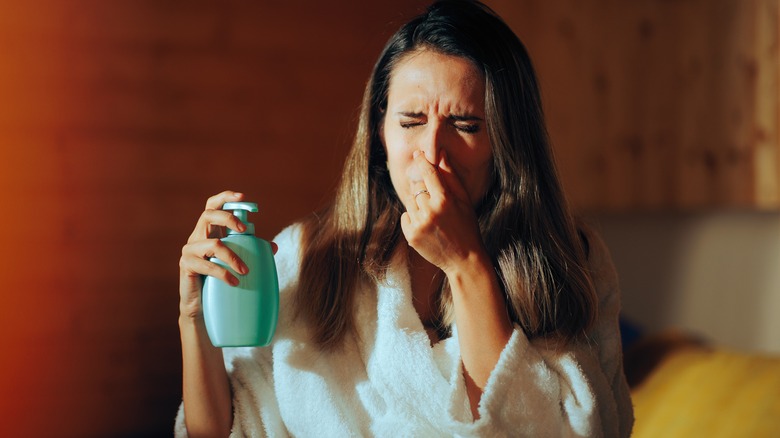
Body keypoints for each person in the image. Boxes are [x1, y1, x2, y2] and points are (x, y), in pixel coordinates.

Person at [176, 0, 634, 436]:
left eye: (466, 125)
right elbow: (225, 430)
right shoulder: (310, 255)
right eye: (411, 121)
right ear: (380, 132)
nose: (432, 153)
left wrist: (467, 265)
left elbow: (573, 429)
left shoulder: (569, 259)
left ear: (507, 141)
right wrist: (193, 318)